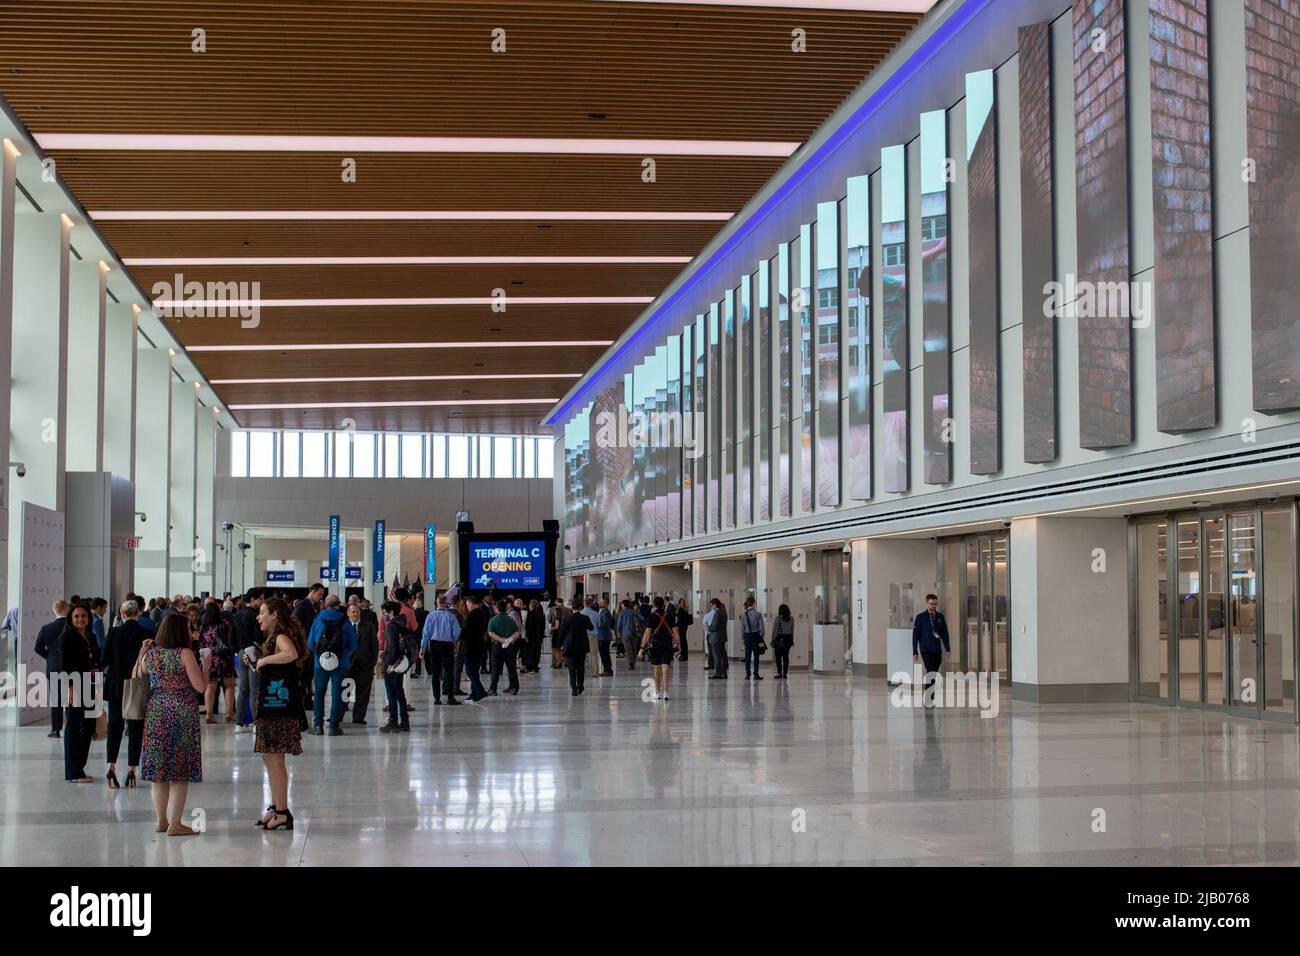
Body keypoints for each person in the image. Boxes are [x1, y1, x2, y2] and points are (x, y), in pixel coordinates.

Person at [137, 613, 207, 835]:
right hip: (181, 713)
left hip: (156, 711)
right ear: (180, 631)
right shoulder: (184, 653)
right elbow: (201, 687)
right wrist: (206, 665)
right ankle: (176, 823)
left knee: (159, 771)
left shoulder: (151, 655)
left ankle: (161, 821)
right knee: (179, 770)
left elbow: (136, 676)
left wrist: (142, 653)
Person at [253, 598, 309, 830]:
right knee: (269, 757)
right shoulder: (271, 637)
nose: (259, 617)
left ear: (275, 615)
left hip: (280, 707)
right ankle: (275, 807)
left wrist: (264, 659)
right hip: (271, 705)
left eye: (262, 612)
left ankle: (283, 812)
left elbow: (290, 654)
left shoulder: (281, 637)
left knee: (275, 759)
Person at [102, 599, 148, 788]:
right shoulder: (146, 634)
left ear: (122, 615)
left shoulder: (113, 633)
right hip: (137, 685)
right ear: (138, 614)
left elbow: (103, 660)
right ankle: (132, 771)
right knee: (136, 728)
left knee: (115, 726)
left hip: (116, 686)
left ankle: (111, 767)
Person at [59, 604, 100, 782]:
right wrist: (69, 689)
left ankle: (79, 767)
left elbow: (95, 658)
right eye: (76, 616)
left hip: (91, 683)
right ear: (70, 618)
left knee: (89, 726)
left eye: (83, 616)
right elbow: (65, 665)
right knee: (74, 727)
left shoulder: (89, 636)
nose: (80, 619)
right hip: (75, 684)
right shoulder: (67, 637)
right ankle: (73, 772)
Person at [307, 594, 356, 736]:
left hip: (320, 664)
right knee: (337, 694)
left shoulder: (318, 620)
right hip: (340, 664)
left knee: (319, 694)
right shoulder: (345, 622)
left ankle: (318, 726)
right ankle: (334, 727)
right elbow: (353, 644)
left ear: (325, 605)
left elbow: (310, 644)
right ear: (338, 605)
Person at [34, 600, 69, 737]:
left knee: (56, 699)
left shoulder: (46, 628)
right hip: (71, 667)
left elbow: (37, 647)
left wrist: (49, 657)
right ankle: (72, 726)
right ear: (66, 609)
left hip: (54, 666)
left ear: (54, 611)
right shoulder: (72, 627)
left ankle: (55, 729)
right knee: (72, 699)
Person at [198, 602, 237, 723]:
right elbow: (230, 642)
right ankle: (229, 713)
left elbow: (201, 644)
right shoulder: (224, 624)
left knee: (210, 686)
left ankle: (209, 715)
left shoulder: (203, 627)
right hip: (224, 658)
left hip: (210, 659)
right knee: (229, 685)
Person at [420, 595, 461, 705]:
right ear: (446, 603)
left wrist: (422, 649)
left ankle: (436, 699)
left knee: (435, 673)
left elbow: (426, 634)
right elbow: (457, 632)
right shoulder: (451, 616)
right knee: (449, 672)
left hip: (434, 645)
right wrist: (453, 640)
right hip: (447, 645)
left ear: (437, 603)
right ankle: (450, 698)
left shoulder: (430, 616)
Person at [911, 593, 951, 708]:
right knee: (930, 671)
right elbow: (915, 636)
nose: (934, 606)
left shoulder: (940, 617)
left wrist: (947, 649)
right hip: (925, 649)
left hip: (936, 649)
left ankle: (930, 693)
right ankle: (929, 696)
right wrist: (915, 651)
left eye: (935, 604)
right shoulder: (920, 617)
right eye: (931, 604)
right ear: (927, 603)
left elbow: (945, 634)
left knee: (934, 671)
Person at [233, 589, 264, 733]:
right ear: (252, 599)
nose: (262, 602)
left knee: (243, 689)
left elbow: (231, 635)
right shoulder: (255, 616)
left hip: (240, 652)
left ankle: (239, 723)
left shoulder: (237, 614)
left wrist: (237, 649)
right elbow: (259, 638)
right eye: (260, 599)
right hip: (254, 653)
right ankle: (257, 723)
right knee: (255, 689)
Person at [380, 601, 412, 732]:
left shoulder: (390, 626)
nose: (384, 615)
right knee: (399, 692)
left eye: (385, 613)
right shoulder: (402, 624)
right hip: (402, 663)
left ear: (391, 612)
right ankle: (404, 721)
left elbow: (392, 647)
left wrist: (390, 665)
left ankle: (393, 720)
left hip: (393, 665)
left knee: (391, 693)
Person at [641, 596, 680, 701]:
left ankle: (657, 692)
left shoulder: (651, 617)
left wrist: (642, 647)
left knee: (656, 669)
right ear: (663, 604)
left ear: (653, 605)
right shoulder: (669, 616)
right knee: (666, 668)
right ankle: (666, 692)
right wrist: (678, 646)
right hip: (667, 644)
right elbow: (676, 632)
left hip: (655, 645)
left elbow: (647, 633)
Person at [349, 599, 379, 723]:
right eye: (353, 612)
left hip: (364, 666)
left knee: (363, 693)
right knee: (344, 692)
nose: (356, 614)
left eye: (357, 612)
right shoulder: (344, 627)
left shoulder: (369, 626)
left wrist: (371, 663)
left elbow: (374, 646)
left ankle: (358, 717)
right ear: (348, 614)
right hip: (348, 666)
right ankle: (338, 714)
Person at [460, 595, 490, 702]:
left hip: (470, 647)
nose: (467, 606)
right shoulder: (482, 613)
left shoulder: (472, 615)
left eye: (467, 604)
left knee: (469, 670)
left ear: (471, 603)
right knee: (475, 670)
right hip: (479, 646)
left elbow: (465, 631)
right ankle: (474, 693)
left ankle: (480, 691)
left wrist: (459, 636)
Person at [487, 599, 521, 696]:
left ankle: (493, 689)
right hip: (509, 647)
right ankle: (514, 687)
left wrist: (501, 640)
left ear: (497, 609)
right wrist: (509, 639)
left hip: (497, 647)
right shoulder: (510, 619)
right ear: (506, 608)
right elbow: (517, 633)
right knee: (511, 668)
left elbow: (491, 633)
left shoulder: (493, 620)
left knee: (496, 668)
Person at [559, 597, 592, 695]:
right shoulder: (585, 618)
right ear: (581, 608)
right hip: (581, 646)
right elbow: (591, 627)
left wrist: (560, 644)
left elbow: (562, 632)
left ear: (572, 608)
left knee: (571, 668)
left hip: (569, 646)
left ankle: (574, 688)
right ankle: (581, 686)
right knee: (581, 667)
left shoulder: (567, 618)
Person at [740, 596, 765, 680]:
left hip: (747, 636)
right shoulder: (758, 614)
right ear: (754, 603)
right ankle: (756, 674)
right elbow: (762, 628)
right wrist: (762, 637)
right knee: (756, 656)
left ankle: (747, 674)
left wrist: (743, 638)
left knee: (747, 656)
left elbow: (742, 629)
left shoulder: (743, 615)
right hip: (756, 636)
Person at [705, 597, 729, 679]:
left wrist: (708, 627)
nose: (711, 608)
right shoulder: (724, 612)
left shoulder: (717, 613)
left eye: (712, 606)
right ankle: (724, 673)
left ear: (715, 605)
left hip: (716, 638)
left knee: (717, 657)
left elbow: (714, 627)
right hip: (722, 637)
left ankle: (718, 673)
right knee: (722, 655)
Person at [771, 604, 795, 679]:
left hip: (780, 639)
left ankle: (779, 673)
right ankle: (785, 673)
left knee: (778, 656)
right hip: (788, 639)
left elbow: (775, 630)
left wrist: (773, 639)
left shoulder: (778, 618)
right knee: (786, 656)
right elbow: (792, 630)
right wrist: (792, 640)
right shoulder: (791, 619)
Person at [523, 599, 545, 674]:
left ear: (531, 605)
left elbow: (529, 626)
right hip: (539, 636)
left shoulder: (530, 613)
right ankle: (535, 666)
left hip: (531, 636)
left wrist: (526, 636)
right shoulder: (541, 614)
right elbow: (543, 627)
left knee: (530, 652)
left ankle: (529, 667)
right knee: (537, 651)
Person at [616, 600, 639, 671]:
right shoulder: (634, 612)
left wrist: (618, 632)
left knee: (628, 649)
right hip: (634, 633)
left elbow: (619, 624)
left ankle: (631, 663)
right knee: (633, 648)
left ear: (623, 605)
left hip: (625, 633)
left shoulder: (622, 613)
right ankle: (633, 661)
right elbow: (642, 619)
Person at [594, 598, 615, 676]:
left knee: (604, 654)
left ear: (606, 604)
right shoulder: (602, 611)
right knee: (604, 653)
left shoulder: (605, 612)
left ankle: (607, 670)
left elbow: (606, 624)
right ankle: (608, 669)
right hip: (602, 636)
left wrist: (596, 625)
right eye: (600, 602)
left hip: (604, 636)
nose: (600, 603)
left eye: (602, 602)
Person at [548, 599, 569, 669]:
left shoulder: (552, 609)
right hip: (564, 631)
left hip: (556, 634)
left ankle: (557, 662)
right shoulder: (568, 609)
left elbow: (550, 620)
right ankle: (565, 662)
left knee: (555, 649)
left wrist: (551, 628)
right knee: (561, 648)